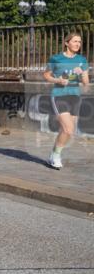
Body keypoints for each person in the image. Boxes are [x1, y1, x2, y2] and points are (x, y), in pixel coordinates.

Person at [43, 32, 89, 170]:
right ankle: (56, 156)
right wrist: (58, 80)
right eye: (75, 41)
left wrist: (81, 75)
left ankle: (53, 154)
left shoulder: (82, 60)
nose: (78, 44)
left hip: (74, 97)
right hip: (59, 95)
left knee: (68, 130)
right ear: (66, 43)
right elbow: (46, 75)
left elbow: (86, 84)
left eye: (79, 42)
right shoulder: (56, 58)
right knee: (68, 130)